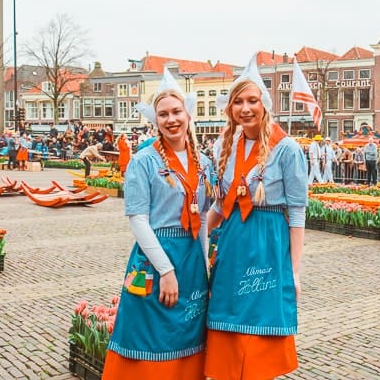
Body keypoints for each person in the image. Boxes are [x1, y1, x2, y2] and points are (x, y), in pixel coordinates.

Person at [103, 70, 211, 380]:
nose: (171, 119)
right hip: (156, 259)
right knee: (150, 335)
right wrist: (165, 270)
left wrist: (202, 265)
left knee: (188, 336)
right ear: (155, 120)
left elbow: (202, 217)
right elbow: (138, 220)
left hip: (190, 259)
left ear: (187, 114)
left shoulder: (203, 163)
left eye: (176, 111)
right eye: (163, 114)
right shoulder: (143, 161)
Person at [205, 56, 308, 380]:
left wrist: (294, 270)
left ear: (264, 105)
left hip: (268, 242)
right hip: (233, 242)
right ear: (230, 108)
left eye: (252, 101)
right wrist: (195, 243)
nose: (245, 108)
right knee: (227, 319)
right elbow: (219, 207)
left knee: (260, 328)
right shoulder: (224, 144)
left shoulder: (287, 149)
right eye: (238, 102)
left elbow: (297, 211)